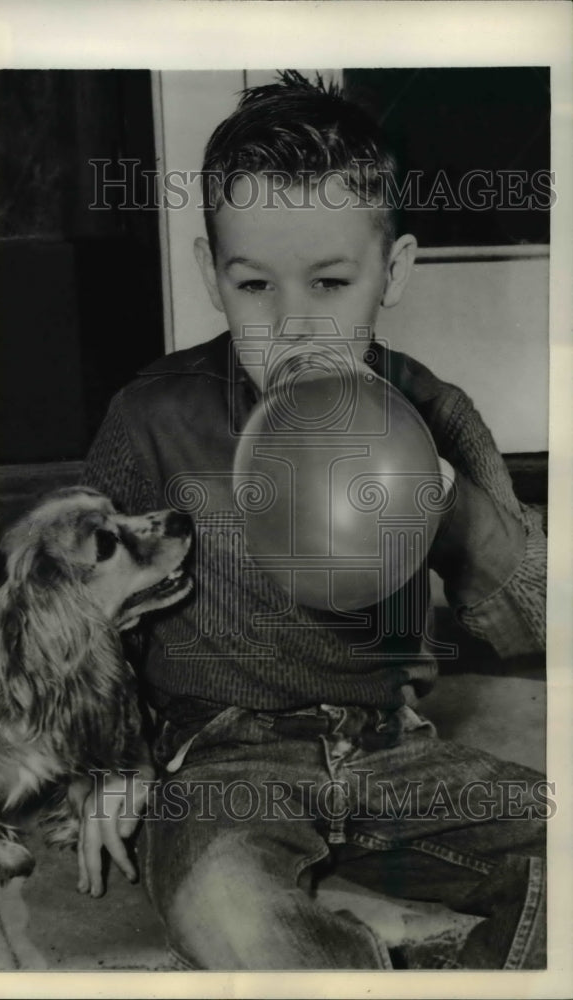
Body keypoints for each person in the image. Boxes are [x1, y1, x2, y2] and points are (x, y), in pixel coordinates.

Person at [75, 73, 548, 969]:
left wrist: (440, 492)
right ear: (209, 276)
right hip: (224, 762)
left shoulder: (433, 411)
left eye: (331, 283)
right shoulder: (151, 415)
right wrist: (110, 758)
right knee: (222, 904)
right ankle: (355, 937)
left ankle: (383, 934)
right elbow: (83, 614)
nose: (293, 325)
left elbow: (536, 615)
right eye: (255, 284)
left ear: (394, 271)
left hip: (393, 754)